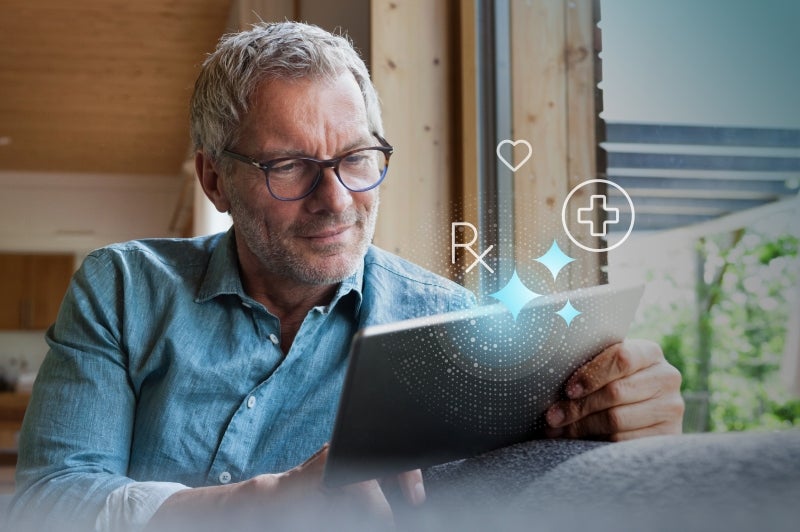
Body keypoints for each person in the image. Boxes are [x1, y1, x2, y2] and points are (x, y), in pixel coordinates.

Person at [9, 21, 683, 532]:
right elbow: (47, 503)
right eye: (288, 167)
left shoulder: (453, 329)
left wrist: (623, 419)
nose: (335, 199)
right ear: (215, 179)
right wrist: (268, 502)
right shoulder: (124, 289)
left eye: (356, 158)